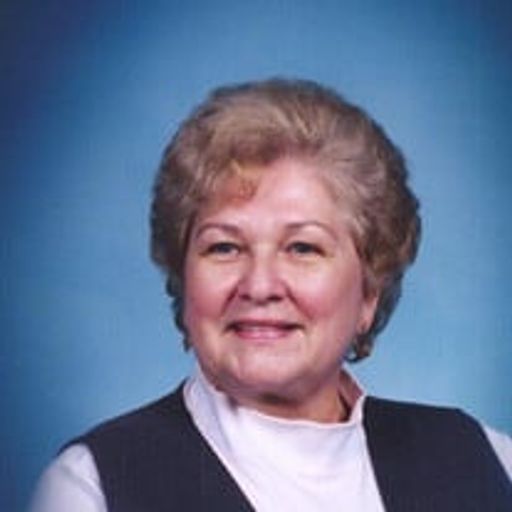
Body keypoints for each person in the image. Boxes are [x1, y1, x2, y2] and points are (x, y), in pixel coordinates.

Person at [31, 78, 512, 511]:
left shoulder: (486, 460)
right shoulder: (91, 489)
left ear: (369, 291)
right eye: (224, 247)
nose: (259, 285)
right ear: (183, 278)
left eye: (303, 248)